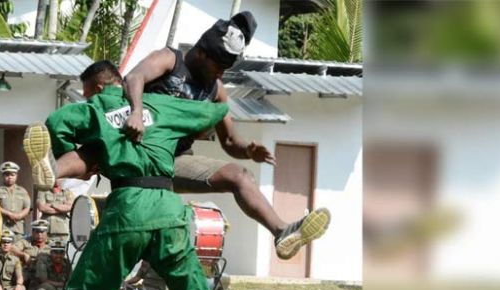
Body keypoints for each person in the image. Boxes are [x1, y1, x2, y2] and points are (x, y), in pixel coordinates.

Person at [24, 11, 330, 261]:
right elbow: (135, 77)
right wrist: (135, 111)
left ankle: (282, 232)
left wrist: (248, 150)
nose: (221, 73)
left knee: (241, 176)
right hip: (135, 144)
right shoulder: (172, 60)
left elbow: (230, 142)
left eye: (227, 67)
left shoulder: (216, 91)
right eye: (219, 65)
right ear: (201, 51)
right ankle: (51, 171)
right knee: (98, 149)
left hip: (173, 161)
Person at [27, 62, 248, 290]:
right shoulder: (160, 104)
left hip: (127, 207)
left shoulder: (98, 106)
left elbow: (57, 124)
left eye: (86, 92)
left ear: (98, 88)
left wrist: (91, 152)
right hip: (168, 210)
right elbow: (214, 111)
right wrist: (218, 90)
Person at [0, 161, 31, 237]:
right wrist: (9, 214)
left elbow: (27, 207)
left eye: (12, 175)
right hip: (2, 227)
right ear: (3, 176)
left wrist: (19, 215)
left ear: (16, 176)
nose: (10, 177)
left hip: (18, 228)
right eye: (7, 174)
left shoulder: (22, 191)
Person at [11, 219, 51, 290]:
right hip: (28, 271)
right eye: (37, 232)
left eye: (42, 232)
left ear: (46, 233)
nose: (39, 235)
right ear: (32, 232)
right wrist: (23, 255)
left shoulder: (52, 245)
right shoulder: (26, 241)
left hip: (44, 274)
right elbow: (12, 248)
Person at [35, 179, 74, 246]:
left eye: (59, 178)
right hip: (46, 231)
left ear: (62, 179)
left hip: (62, 231)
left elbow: (69, 207)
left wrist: (53, 205)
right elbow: (41, 207)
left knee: (60, 253)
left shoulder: (67, 193)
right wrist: (61, 209)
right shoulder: (43, 191)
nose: (56, 180)